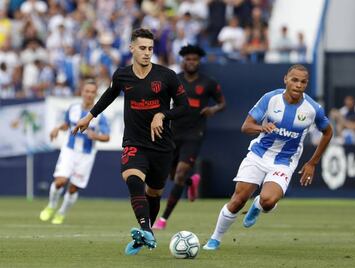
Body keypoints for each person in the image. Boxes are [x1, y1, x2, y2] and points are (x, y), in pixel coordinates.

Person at [72, 28, 189, 255]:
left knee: (154, 193)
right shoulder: (122, 75)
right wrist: (89, 116)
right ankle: (146, 229)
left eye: (150, 49)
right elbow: (109, 95)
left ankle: (144, 234)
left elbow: (185, 106)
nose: (147, 53)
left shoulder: (167, 76)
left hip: (162, 145)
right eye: (143, 48)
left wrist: (162, 114)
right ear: (131, 48)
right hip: (134, 141)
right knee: (132, 178)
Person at [203, 64, 333, 250]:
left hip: (284, 162)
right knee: (238, 200)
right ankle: (215, 239)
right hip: (258, 155)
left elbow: (328, 132)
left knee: (268, 200)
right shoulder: (270, 98)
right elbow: (246, 126)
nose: (298, 85)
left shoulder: (313, 109)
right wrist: (261, 128)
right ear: (285, 79)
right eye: (294, 80)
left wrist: (312, 162)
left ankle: (258, 205)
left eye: (303, 82)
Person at [153, 44, 226, 230]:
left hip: (194, 134)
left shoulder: (208, 82)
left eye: (194, 59)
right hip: (173, 132)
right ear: (182, 61)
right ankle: (191, 182)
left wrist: (213, 109)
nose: (191, 62)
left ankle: (163, 218)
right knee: (171, 175)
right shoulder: (174, 80)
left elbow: (222, 103)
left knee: (179, 173)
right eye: (188, 59)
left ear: (199, 61)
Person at [39, 80, 110, 224]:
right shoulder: (73, 108)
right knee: (60, 181)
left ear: (96, 94)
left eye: (92, 92)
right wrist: (58, 128)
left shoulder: (100, 115)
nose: (89, 94)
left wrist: (95, 136)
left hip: (86, 155)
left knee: (73, 188)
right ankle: (52, 205)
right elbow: (67, 124)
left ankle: (62, 212)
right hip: (69, 151)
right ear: (81, 92)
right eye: (87, 91)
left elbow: (107, 137)